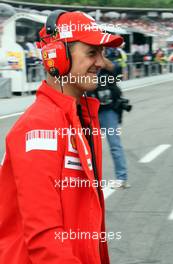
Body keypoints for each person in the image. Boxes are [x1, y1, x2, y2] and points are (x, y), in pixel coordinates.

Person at [0, 10, 124, 264]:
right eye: (92, 52)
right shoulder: (38, 127)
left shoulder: (81, 117)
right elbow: (44, 239)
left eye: (101, 53)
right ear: (57, 57)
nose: (101, 62)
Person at [88, 47, 132, 189]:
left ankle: (122, 178)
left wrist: (98, 56)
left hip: (108, 111)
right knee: (88, 147)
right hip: (90, 110)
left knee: (114, 145)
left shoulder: (109, 66)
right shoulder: (86, 66)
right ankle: (88, 181)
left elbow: (114, 67)